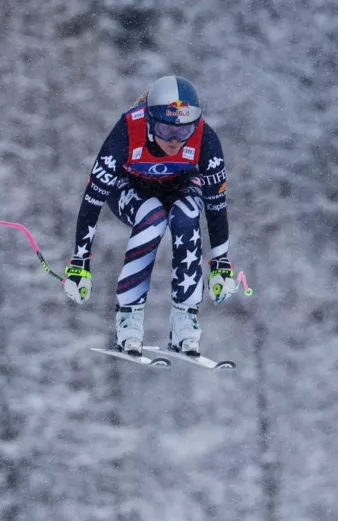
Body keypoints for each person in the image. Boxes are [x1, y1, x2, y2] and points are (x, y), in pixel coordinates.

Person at [63, 75, 238, 356]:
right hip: (129, 187)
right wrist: (80, 263)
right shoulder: (126, 132)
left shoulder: (205, 139)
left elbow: (217, 205)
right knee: (152, 217)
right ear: (148, 121)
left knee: (187, 215)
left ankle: (185, 318)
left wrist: (221, 264)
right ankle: (129, 318)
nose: (174, 140)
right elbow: (92, 198)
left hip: (180, 185)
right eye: (165, 130)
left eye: (184, 132)